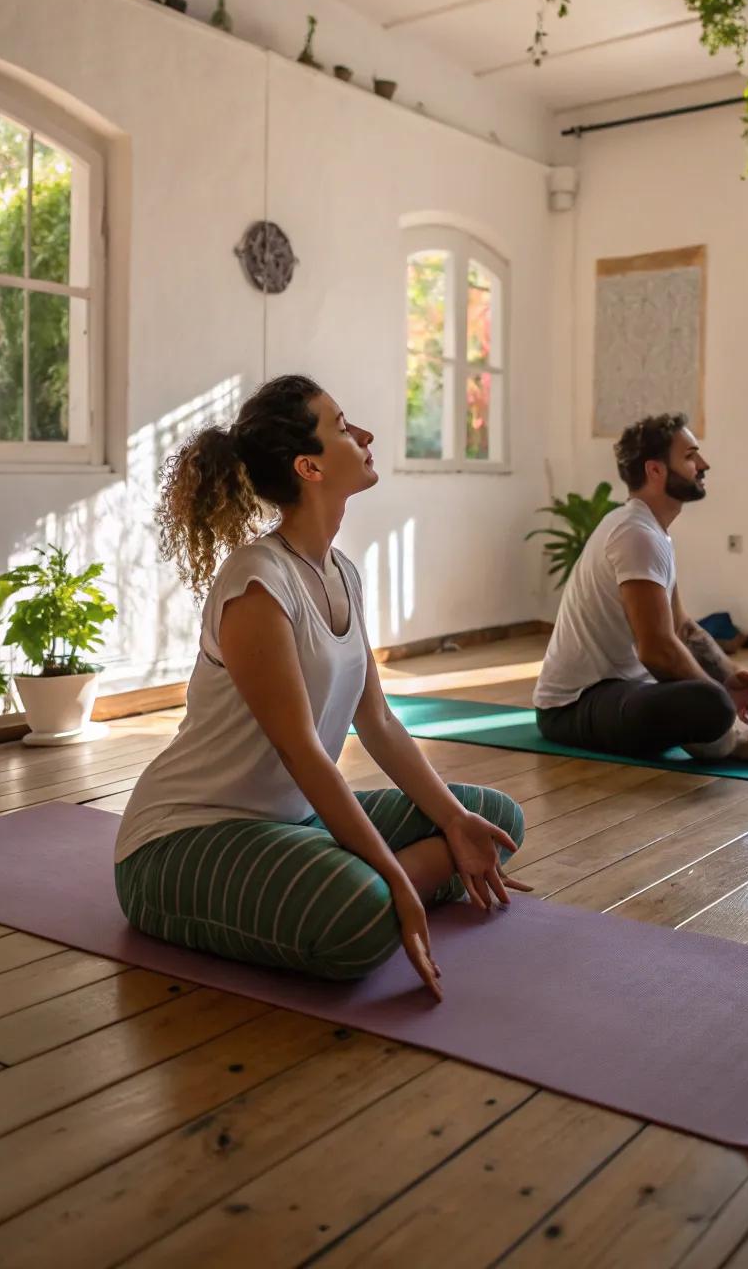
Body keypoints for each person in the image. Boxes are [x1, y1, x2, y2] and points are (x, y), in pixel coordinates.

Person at [114, 374, 527, 1002]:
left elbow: (380, 723)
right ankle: (374, 891)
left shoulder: (343, 574)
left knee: (490, 820)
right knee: (356, 919)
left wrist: (451, 820)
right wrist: (392, 874)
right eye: (341, 427)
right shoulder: (258, 584)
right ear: (309, 466)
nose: (363, 436)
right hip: (182, 840)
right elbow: (302, 751)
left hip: (294, 823)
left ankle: (368, 879)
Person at [534, 413, 748, 767]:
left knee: (708, 697)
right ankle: (728, 741)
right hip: (572, 707)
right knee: (708, 704)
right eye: (690, 456)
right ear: (655, 471)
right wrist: (727, 714)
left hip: (621, 691)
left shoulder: (652, 532)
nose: (703, 464)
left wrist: (729, 676)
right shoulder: (634, 534)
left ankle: (712, 727)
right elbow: (656, 649)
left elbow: (681, 627)